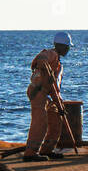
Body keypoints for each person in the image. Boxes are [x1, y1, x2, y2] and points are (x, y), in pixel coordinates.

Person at [24, 32, 72, 162]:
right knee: (40, 123)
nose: (68, 49)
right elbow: (41, 58)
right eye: (67, 46)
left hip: (48, 95)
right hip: (38, 93)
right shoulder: (51, 54)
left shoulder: (57, 63)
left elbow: (54, 87)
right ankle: (30, 153)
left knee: (56, 118)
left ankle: (47, 149)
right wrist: (44, 66)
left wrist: (59, 104)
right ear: (61, 46)